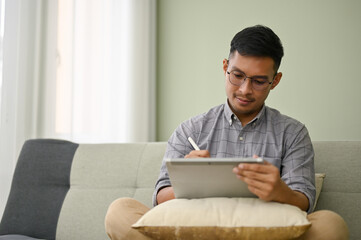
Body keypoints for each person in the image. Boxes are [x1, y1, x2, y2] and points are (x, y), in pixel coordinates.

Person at [105, 25, 348, 240]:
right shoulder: (191, 129)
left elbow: (303, 201)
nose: (245, 89)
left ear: (275, 81)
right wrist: (187, 183)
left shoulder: (292, 133)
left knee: (330, 225)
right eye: (238, 75)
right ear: (225, 67)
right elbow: (159, 198)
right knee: (120, 211)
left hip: (266, 232)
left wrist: (279, 191)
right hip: (196, 232)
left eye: (259, 81)